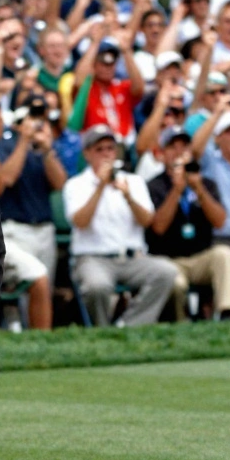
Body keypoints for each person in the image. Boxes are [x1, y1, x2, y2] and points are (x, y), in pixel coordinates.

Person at [64, 124, 177, 327]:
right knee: (97, 286)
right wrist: (100, 186)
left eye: (110, 148)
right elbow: (80, 222)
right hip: (93, 258)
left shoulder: (134, 182)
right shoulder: (76, 184)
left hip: (132, 257)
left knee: (166, 271)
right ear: (87, 154)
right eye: (99, 150)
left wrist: (128, 196)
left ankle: (129, 326)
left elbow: (146, 221)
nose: (106, 154)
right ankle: (102, 331)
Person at [146, 126, 230, 320]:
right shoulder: (153, 185)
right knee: (176, 282)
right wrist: (176, 191)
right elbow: (158, 227)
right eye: (172, 147)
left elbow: (220, 221)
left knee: (224, 254)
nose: (179, 152)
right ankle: (182, 324)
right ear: (162, 154)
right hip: (168, 259)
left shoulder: (205, 183)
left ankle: (228, 315)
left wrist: (198, 190)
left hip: (200, 257)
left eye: (184, 146)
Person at [0, 94, 63, 330]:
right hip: (13, 229)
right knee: (34, 278)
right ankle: (20, 327)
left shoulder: (42, 147)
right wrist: (23, 141)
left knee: (43, 287)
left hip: (44, 228)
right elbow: (5, 180)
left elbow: (60, 183)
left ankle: (35, 340)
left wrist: (47, 150)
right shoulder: (2, 144)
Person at [190, 104, 230, 288]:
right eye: (229, 132)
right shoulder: (211, 162)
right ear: (218, 138)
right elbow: (195, 150)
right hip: (222, 242)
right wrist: (216, 114)